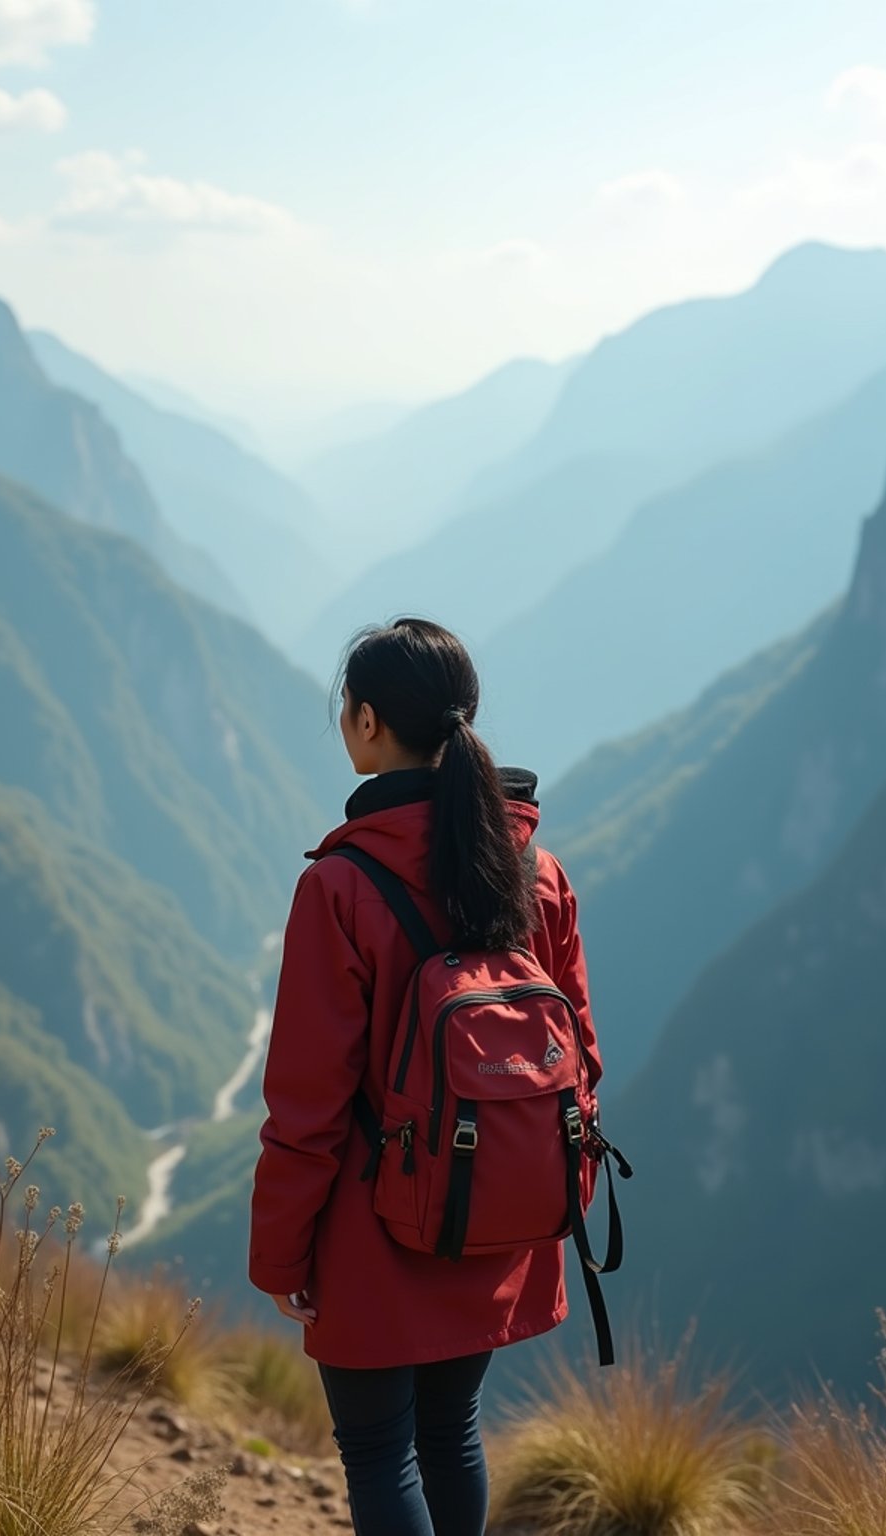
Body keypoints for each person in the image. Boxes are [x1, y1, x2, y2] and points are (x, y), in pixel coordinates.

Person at [249, 617, 602, 1536]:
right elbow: (581, 1059)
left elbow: (308, 1103)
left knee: (378, 1452)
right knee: (452, 1432)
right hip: (497, 1212)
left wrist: (282, 1250)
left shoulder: (341, 886)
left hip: (376, 1232)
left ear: (366, 723)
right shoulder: (534, 867)